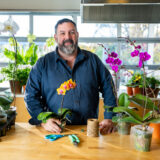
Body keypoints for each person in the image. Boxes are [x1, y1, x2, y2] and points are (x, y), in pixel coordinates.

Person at [24, 18, 117, 134]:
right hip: (55, 130)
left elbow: (109, 87)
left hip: (90, 130)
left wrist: (109, 117)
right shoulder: (42, 64)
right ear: (55, 37)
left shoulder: (93, 61)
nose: (67, 37)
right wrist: (43, 121)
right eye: (62, 33)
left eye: (71, 32)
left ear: (77, 35)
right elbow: (30, 96)